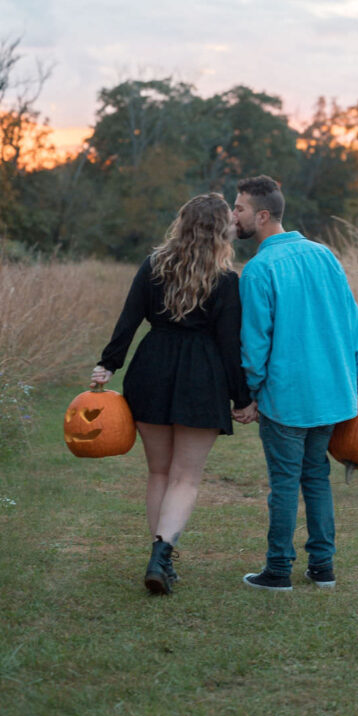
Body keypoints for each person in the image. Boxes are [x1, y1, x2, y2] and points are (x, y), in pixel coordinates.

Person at [91, 193, 251, 596]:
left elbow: (128, 319)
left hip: (152, 370)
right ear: (220, 231)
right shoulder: (227, 280)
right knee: (186, 478)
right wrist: (242, 397)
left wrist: (109, 364)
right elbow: (231, 345)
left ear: (182, 224)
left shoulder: (154, 265)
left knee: (159, 472)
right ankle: (162, 555)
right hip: (202, 375)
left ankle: (159, 555)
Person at [232, 175, 358, 592]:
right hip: (331, 391)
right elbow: (353, 321)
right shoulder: (325, 255)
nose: (232, 215)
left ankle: (278, 570)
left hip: (288, 397)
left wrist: (250, 393)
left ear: (262, 215)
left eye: (237, 208)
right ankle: (322, 568)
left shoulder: (258, 269)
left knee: (285, 484)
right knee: (316, 478)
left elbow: (255, 342)